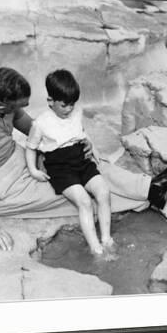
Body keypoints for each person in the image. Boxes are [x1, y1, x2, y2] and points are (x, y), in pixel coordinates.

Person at [0, 67, 167, 251]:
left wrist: (65, 141)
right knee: (76, 195)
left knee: (91, 166)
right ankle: (146, 198)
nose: (22, 110)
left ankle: (152, 189)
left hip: (17, 157)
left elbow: (26, 123)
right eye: (17, 107)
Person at [25, 69, 115, 257]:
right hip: (60, 167)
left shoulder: (76, 112)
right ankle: (95, 248)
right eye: (64, 105)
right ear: (51, 101)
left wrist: (92, 147)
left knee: (103, 192)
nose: (69, 110)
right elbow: (31, 147)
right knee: (84, 201)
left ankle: (106, 238)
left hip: (80, 159)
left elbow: (80, 132)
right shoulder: (41, 123)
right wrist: (33, 170)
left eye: (72, 105)